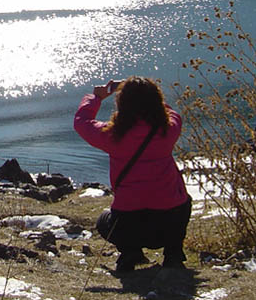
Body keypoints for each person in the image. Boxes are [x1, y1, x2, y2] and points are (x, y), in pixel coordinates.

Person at [73, 76, 191, 272]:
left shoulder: (111, 135)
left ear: (122, 104)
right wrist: (148, 95)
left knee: (104, 221)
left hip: (128, 226)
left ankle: (130, 252)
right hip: (170, 224)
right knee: (184, 202)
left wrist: (97, 97)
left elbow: (81, 122)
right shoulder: (168, 130)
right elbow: (173, 114)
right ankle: (173, 253)